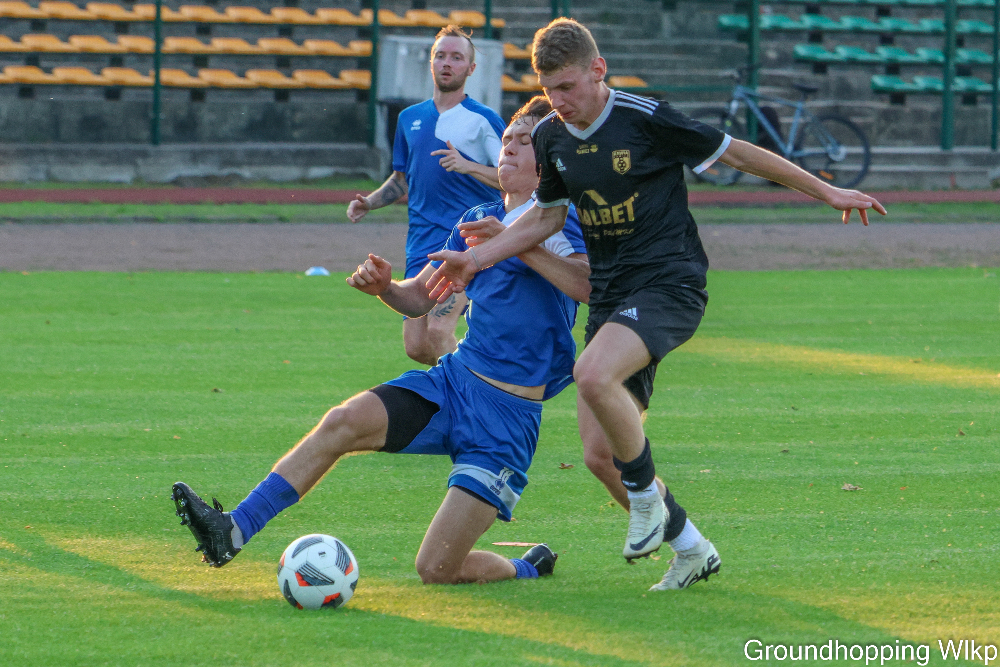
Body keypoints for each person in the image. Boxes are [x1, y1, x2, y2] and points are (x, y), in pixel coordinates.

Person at [425, 18, 887, 590]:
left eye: (568, 87)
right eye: (548, 90)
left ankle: (645, 498)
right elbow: (544, 218)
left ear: (598, 70)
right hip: (614, 296)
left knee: (592, 372)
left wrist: (828, 190)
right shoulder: (551, 137)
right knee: (600, 455)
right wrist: (476, 259)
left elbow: (740, 155)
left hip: (670, 283)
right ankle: (692, 549)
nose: (559, 101)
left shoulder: (646, 119)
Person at [171, 98, 589, 587]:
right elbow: (419, 299)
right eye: (507, 139)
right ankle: (234, 529)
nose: (509, 147)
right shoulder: (477, 217)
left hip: (507, 419)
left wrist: (513, 243)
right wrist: (385, 288)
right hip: (454, 386)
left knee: (436, 570)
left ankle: (526, 567)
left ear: (549, 159)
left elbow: (587, 285)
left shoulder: (561, 222)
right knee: (342, 421)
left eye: (524, 141)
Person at [346, 25, 506, 367]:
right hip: (421, 244)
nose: (447, 63)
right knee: (417, 347)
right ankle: (483, 378)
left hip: (462, 241)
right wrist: (370, 202)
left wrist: (468, 166)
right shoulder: (409, 118)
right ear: (431, 62)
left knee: (437, 332)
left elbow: (514, 179)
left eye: (457, 57)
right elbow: (401, 179)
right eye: (440, 55)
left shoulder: (484, 120)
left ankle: (478, 394)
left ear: (471, 68)